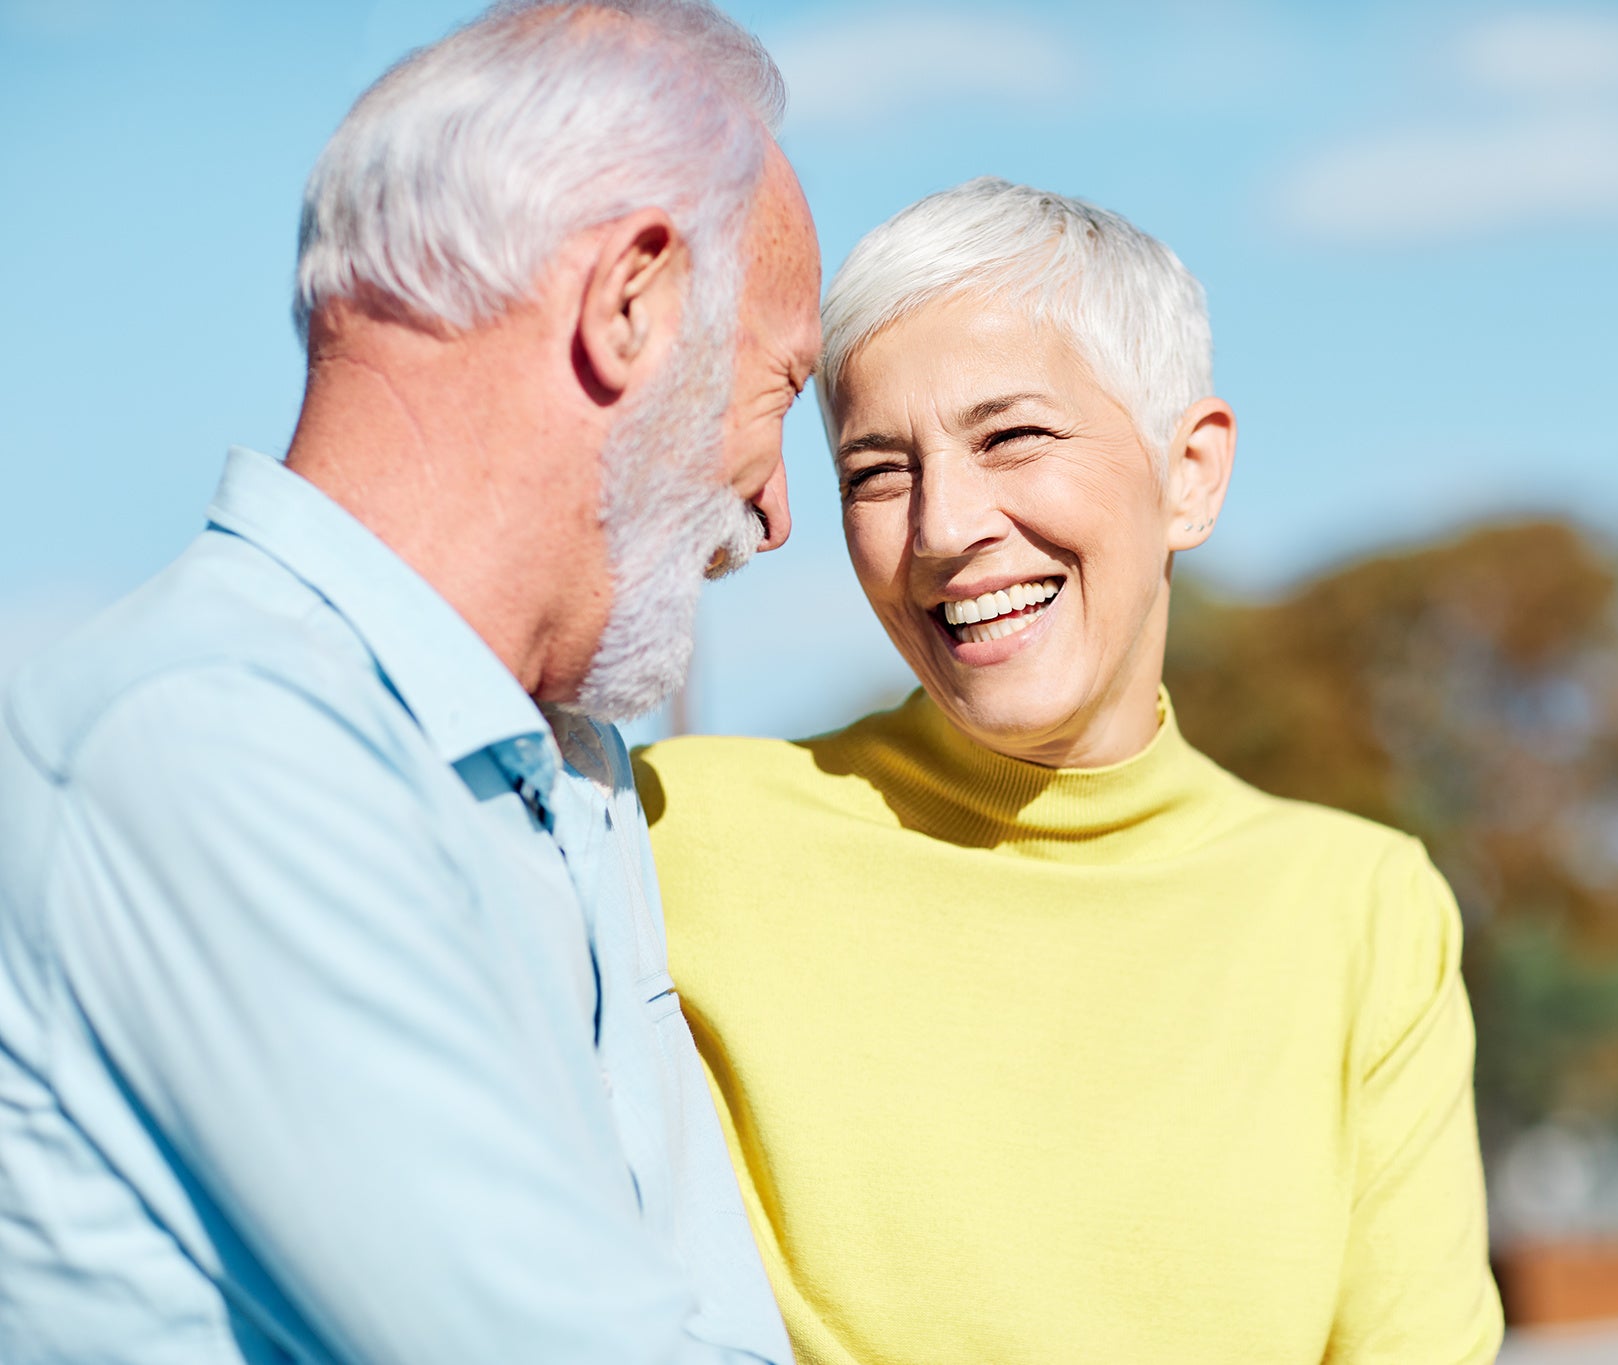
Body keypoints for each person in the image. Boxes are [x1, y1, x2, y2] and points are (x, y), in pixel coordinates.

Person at [0, 3, 816, 1361]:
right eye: (779, 390)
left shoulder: (566, 774)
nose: (778, 510)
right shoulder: (216, 739)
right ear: (633, 305)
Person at [637, 177, 1504, 1365]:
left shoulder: (1362, 911)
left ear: (1188, 474)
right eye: (877, 472)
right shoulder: (678, 834)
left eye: (1012, 437)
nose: (943, 526)